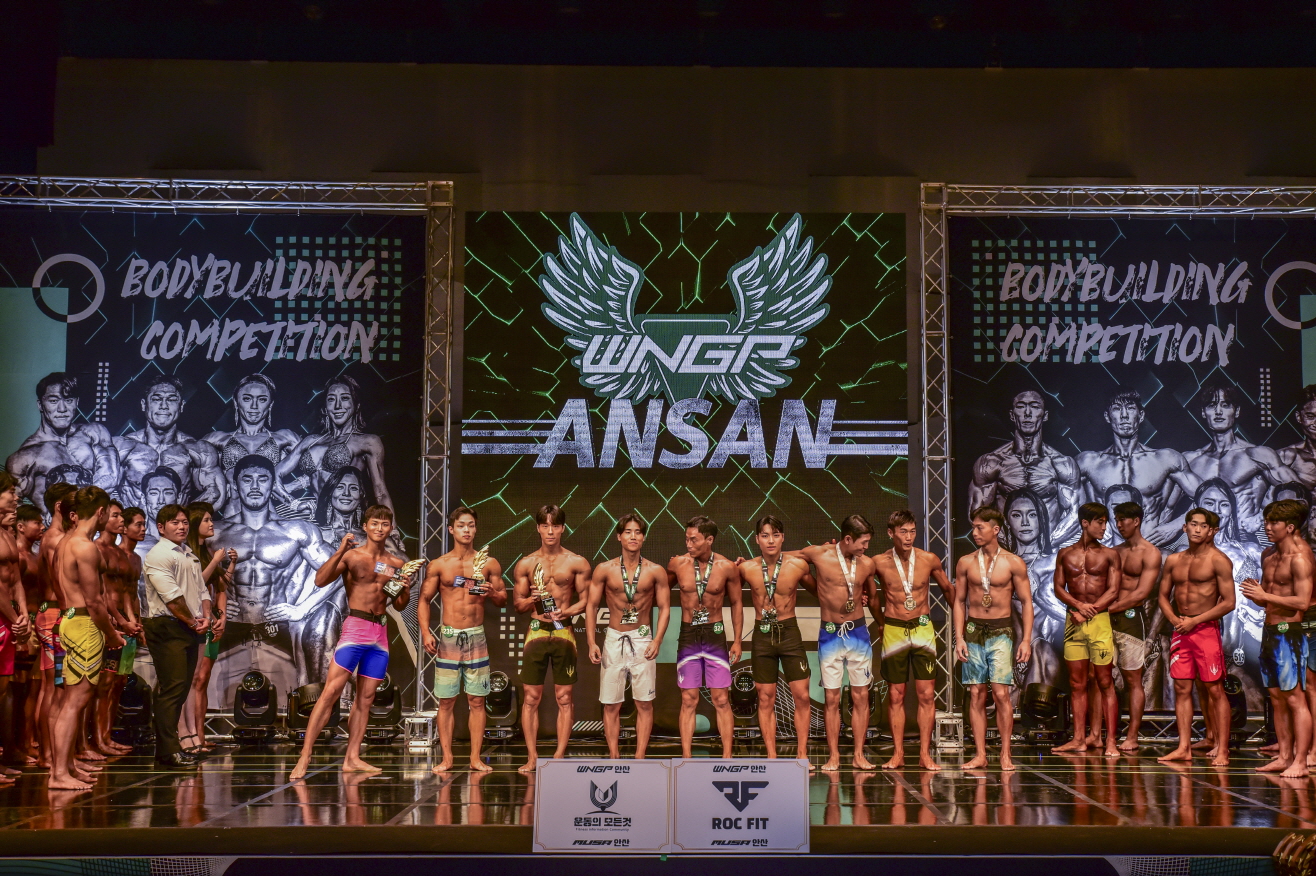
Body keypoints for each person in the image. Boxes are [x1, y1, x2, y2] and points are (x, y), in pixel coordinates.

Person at [288, 504, 415, 781]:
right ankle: (305, 756)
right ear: (365, 526)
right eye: (375, 523)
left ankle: (353, 757)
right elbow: (320, 580)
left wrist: (405, 588)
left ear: (390, 528)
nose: (379, 528)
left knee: (366, 698)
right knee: (330, 692)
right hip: (356, 629)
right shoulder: (353, 556)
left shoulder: (395, 564)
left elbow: (400, 605)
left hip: (380, 634)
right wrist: (340, 551)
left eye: (384, 524)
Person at [211, 455, 337, 694]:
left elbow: (338, 570)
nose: (255, 486)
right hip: (227, 627)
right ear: (235, 484)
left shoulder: (296, 531)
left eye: (262, 479)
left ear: (273, 484)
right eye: (247, 479)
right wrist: (212, 604)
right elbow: (188, 572)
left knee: (282, 700)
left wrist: (302, 609)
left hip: (276, 628)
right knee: (221, 701)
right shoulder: (215, 533)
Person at [419, 506, 508, 772]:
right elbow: (424, 600)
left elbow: (503, 599)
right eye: (461, 525)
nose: (466, 530)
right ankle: (447, 758)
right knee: (446, 701)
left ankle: (475, 758)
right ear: (451, 529)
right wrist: (426, 632)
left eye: (470, 525)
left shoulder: (488, 563)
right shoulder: (439, 565)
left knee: (477, 700)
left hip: (476, 636)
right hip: (449, 637)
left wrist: (492, 593)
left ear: (476, 529)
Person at [788, 515, 879, 771]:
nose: (866, 547)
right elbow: (784, 557)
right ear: (847, 539)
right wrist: (749, 563)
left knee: (861, 695)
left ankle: (859, 755)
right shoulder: (819, 554)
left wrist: (879, 620)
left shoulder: (867, 563)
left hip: (858, 633)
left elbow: (872, 596)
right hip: (830, 634)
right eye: (863, 542)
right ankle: (834, 756)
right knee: (831, 697)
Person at [50, 486, 123, 789]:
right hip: (83, 622)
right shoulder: (84, 547)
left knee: (73, 700)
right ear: (101, 512)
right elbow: (93, 601)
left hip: (71, 618)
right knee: (74, 701)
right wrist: (112, 634)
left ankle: (66, 767)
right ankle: (58, 774)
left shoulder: (66, 542)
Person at [872, 509, 954, 771]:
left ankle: (924, 754)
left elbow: (949, 590)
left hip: (922, 628)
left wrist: (961, 624)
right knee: (896, 694)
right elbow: (866, 592)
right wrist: (881, 622)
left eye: (912, 531)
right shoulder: (878, 562)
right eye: (903, 532)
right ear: (891, 533)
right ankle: (898, 754)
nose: (909, 537)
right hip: (894, 628)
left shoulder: (929, 559)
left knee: (927, 694)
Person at [953, 506, 1033, 771]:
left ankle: (1005, 754)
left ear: (995, 529)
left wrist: (1026, 640)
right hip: (974, 631)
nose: (975, 532)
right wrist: (959, 638)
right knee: (976, 693)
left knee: (1000, 693)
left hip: (1001, 631)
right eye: (973, 527)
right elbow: (959, 601)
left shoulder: (1013, 562)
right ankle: (980, 754)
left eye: (980, 527)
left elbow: (1026, 602)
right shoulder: (965, 562)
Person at [512, 504, 590, 773]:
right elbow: (518, 604)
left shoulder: (577, 562)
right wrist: (532, 599)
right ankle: (532, 757)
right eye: (545, 525)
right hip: (536, 630)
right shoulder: (526, 563)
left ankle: (558, 756)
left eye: (555, 526)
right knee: (531, 697)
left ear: (562, 528)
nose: (550, 531)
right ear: (538, 528)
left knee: (564, 697)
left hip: (563, 630)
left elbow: (587, 601)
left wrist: (565, 611)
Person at [1156, 507, 1237, 767]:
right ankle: (1184, 747)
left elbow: (1229, 602)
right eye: (1193, 524)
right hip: (1181, 629)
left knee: (1215, 689)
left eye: (1203, 526)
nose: (1197, 529)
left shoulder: (1219, 560)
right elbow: (1162, 596)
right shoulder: (1174, 560)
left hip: (1205, 630)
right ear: (1185, 527)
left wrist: (1195, 620)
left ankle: (1222, 749)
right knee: (1182, 688)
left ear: (1213, 531)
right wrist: (1174, 619)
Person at [587, 513, 670, 760]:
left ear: (643, 537)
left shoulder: (655, 571)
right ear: (619, 536)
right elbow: (591, 606)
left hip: (643, 638)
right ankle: (614, 756)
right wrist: (591, 642)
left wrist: (657, 640)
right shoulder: (604, 569)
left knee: (644, 702)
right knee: (611, 703)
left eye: (638, 532)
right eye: (628, 532)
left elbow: (665, 607)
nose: (633, 536)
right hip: (615, 638)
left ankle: (639, 757)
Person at [1076, 388, 1202, 549]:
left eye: (1130, 408)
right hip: (1105, 550)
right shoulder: (1088, 463)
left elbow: (1210, 497)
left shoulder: (1166, 459)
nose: (1124, 415)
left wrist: (1175, 525)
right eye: (1117, 409)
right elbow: (1062, 504)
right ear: (1107, 416)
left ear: (1141, 415)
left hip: (1150, 549)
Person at [1242, 500, 1314, 778]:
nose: (1267, 527)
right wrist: (1258, 596)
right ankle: (1284, 757)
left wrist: (1265, 595)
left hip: (1290, 632)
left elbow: (1302, 601)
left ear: (1291, 527)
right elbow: (1268, 598)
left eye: (1274, 522)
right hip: (1270, 630)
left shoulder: (1300, 557)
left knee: (1295, 698)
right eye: (1266, 521)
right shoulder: (1268, 554)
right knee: (1276, 697)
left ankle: (1301, 761)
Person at [667, 515, 742, 761]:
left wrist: (737, 640)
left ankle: (727, 757)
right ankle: (686, 758)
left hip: (715, 634)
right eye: (687, 539)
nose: (688, 544)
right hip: (688, 634)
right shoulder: (677, 564)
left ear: (709, 540)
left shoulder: (727, 567)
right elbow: (657, 589)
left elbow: (737, 604)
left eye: (694, 540)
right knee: (688, 699)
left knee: (721, 698)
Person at [736, 515, 811, 762]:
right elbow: (722, 588)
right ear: (757, 539)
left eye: (776, 535)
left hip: (789, 632)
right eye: (765, 535)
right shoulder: (745, 568)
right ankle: (771, 756)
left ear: (783, 538)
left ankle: (801, 756)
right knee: (766, 697)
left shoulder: (798, 565)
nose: (771, 540)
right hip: (762, 634)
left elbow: (823, 590)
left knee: (802, 695)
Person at [142, 503, 210, 770]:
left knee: (181, 688)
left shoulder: (188, 554)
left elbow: (202, 590)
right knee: (172, 689)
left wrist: (206, 616)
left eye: (184, 522)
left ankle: (170, 749)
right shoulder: (159, 555)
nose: (182, 527)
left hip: (188, 625)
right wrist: (193, 621)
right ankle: (167, 751)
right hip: (167, 626)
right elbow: (172, 598)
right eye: (175, 522)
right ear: (161, 528)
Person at [1051, 502, 1121, 757]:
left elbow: (1113, 590)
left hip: (1099, 622)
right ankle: (1079, 739)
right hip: (1074, 622)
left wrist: (1089, 610)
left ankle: (1109, 742)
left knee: (1104, 681)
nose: (1104, 527)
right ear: (1085, 523)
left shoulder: (1110, 555)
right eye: (1100, 522)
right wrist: (1078, 605)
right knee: (1077, 683)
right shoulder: (1065, 553)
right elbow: (1058, 587)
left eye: (1105, 522)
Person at [968, 389, 1081, 546]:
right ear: (1012, 415)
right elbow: (977, 513)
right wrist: (1008, 545)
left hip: (1050, 551)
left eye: (1035, 407)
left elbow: (1076, 513)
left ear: (1045, 415)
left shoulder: (1062, 464)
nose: (1028, 413)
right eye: (1021, 407)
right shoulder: (991, 463)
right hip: (1004, 549)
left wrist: (1048, 544)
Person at [1186, 382, 1299, 540]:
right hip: (1202, 539)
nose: (1218, 412)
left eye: (1225, 405)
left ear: (1237, 411)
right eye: (1211, 405)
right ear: (1204, 412)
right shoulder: (1191, 460)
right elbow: (1167, 507)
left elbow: (1298, 494)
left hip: (1246, 537)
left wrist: (1264, 515)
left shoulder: (1257, 455)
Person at [277, 376, 393, 514]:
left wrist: (392, 526)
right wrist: (294, 503)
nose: (338, 406)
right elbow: (272, 476)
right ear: (325, 407)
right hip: (313, 515)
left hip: (345, 518)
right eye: (331, 399)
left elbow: (380, 492)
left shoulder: (367, 442)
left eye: (345, 398)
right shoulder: (310, 441)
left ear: (356, 405)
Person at [5, 373, 119, 507]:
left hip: (95, 518)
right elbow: (12, 506)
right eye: (54, 401)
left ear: (77, 402)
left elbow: (111, 478)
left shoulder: (95, 433)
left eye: (68, 400)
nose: (62, 409)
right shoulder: (24, 457)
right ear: (40, 405)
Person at [113, 375, 225, 509]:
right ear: (144, 404)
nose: (164, 406)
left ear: (181, 406)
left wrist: (183, 517)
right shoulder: (121, 448)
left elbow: (216, 493)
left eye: (171, 400)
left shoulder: (198, 450)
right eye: (156, 399)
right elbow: (100, 490)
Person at [201, 373, 301, 519]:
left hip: (270, 520)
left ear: (270, 404)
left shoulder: (285, 438)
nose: (254, 406)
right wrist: (221, 488)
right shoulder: (217, 440)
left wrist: (289, 487)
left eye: (262, 399)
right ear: (236, 402)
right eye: (247, 399)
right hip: (232, 519)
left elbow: (318, 469)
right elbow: (191, 476)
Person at [179, 503, 234, 755]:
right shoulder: (186, 554)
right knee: (194, 678)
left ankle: (199, 735)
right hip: (192, 622)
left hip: (210, 622)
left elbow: (220, 587)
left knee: (202, 679)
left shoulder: (209, 551)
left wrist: (221, 616)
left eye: (212, 519)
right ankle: (189, 734)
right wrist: (215, 561)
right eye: (206, 520)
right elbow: (196, 584)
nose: (212, 524)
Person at [1109, 501, 1162, 751]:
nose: (1119, 525)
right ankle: (1102, 735)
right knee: (1100, 678)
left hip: (1131, 619)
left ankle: (1132, 736)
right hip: (1107, 618)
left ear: (1136, 521)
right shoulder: (1114, 551)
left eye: (1123, 520)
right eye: (1117, 520)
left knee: (1133, 680)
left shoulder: (1150, 553)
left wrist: (1108, 608)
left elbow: (1141, 593)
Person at [94, 505, 145, 756]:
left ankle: (107, 735)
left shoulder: (127, 556)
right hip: (108, 621)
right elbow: (101, 592)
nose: (120, 521)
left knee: (118, 682)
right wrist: (117, 619)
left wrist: (134, 621)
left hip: (125, 621)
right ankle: (97, 739)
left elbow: (127, 592)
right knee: (103, 683)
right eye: (115, 516)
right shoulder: (96, 549)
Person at [33, 483, 75, 772]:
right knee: (53, 688)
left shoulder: (60, 537)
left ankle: (59, 755)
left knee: (60, 688)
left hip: (59, 613)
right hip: (53, 615)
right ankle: (47, 755)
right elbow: (60, 584)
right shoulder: (54, 537)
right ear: (60, 506)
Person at [1005, 489, 1064, 691]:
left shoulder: (1056, 562)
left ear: (1042, 519)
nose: (1025, 522)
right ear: (1007, 521)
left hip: (1048, 648)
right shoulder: (1000, 563)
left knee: (1043, 659)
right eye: (1016, 515)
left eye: (1032, 515)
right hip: (1006, 646)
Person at [0, 473, 32, 779]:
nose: (16, 496)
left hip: (10, 617)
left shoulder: (7, 534)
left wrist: (23, 615)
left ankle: (4, 757)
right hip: (2, 617)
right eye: (11, 491)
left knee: (4, 688)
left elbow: (15, 579)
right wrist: (14, 617)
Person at [16, 503, 45, 762]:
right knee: (21, 688)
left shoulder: (34, 555)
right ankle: (21, 743)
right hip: (24, 626)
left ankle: (29, 739)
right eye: (37, 522)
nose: (41, 526)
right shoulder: (18, 556)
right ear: (21, 526)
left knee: (35, 688)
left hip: (38, 624)